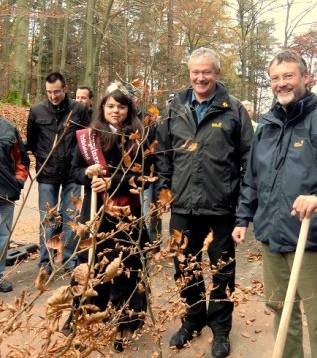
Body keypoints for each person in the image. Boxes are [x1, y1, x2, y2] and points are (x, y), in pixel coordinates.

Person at [232, 49, 317, 358]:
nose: (282, 83)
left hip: (312, 240)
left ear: (306, 78)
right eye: (275, 78)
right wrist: (242, 219)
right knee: (282, 316)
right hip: (272, 240)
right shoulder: (266, 125)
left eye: (288, 76)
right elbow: (252, 177)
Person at [155, 47, 253, 358]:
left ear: (217, 74)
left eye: (206, 72)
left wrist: (241, 210)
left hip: (221, 207)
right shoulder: (175, 109)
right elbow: (163, 157)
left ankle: (221, 330)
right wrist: (164, 192)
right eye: (195, 72)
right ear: (189, 74)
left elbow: (248, 160)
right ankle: (193, 320)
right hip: (183, 207)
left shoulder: (234, 110)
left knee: (222, 271)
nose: (201, 77)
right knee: (185, 267)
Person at [71, 82, 151, 352]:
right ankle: (87, 321)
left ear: (129, 109)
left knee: (126, 269)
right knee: (92, 267)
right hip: (96, 214)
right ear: (102, 107)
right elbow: (74, 170)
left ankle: (123, 323)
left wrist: (112, 180)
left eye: (121, 106)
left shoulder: (139, 137)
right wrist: (87, 174)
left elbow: (145, 179)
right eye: (110, 106)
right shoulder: (90, 137)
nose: (115, 110)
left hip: (128, 214)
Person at [27, 72, 91, 274]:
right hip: (47, 173)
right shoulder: (37, 110)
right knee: (48, 218)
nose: (53, 96)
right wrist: (43, 158)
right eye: (49, 92)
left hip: (73, 173)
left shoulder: (79, 110)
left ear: (65, 89)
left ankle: (69, 260)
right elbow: (32, 141)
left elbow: (87, 137)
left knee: (70, 217)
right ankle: (45, 262)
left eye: (56, 92)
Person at [0, 117, 30, 292]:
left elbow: (22, 160)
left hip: (5, 194)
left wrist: (17, 182)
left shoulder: (8, 129)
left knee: (3, 238)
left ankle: (0, 275)